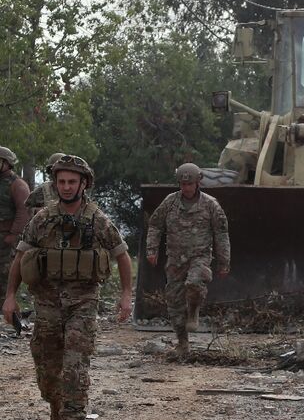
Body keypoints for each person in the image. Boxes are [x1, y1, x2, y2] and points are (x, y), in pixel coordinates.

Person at [2, 155, 132, 420]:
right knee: (48, 374)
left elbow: (122, 255)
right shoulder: (42, 219)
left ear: (83, 184)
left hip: (83, 303)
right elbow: (19, 257)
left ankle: (73, 413)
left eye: (72, 181)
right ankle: (56, 407)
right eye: (61, 181)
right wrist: (10, 297)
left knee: (75, 368)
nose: (67, 187)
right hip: (47, 304)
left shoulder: (98, 220)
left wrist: (126, 295)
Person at [146, 163, 230, 356]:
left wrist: (224, 261)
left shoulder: (210, 205)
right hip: (175, 259)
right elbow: (155, 225)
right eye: (182, 184)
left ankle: (193, 310)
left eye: (189, 184)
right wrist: (152, 249)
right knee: (174, 302)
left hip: (200, 257)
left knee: (194, 283)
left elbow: (221, 234)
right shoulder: (170, 202)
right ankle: (183, 344)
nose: (186, 188)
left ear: (198, 182)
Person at [0, 146, 31, 296]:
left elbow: (24, 211)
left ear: (6, 163)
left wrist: (12, 236)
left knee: (4, 278)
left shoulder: (17, 185)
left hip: (6, 239)